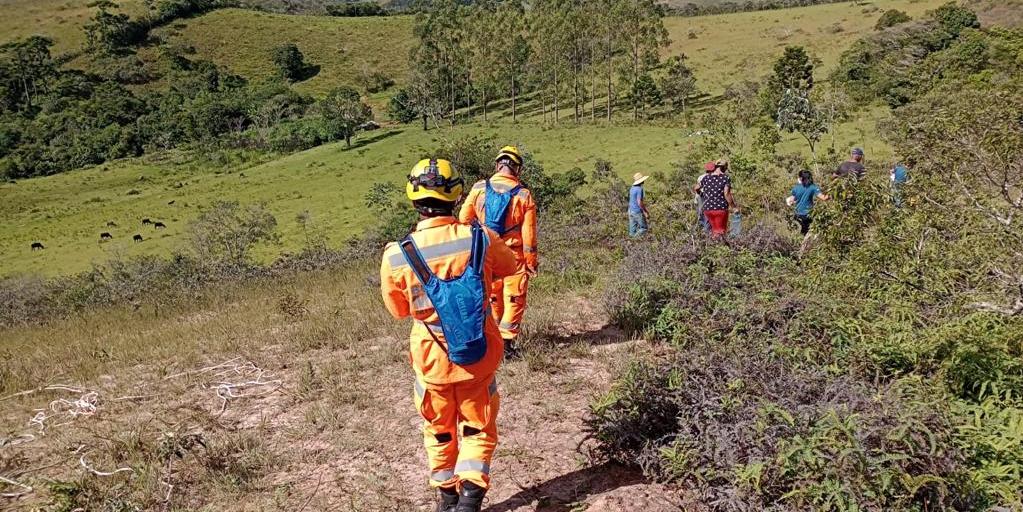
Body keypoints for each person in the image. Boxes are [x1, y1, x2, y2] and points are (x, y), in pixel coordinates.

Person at [380, 158, 518, 512]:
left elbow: (398, 311)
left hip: (431, 360)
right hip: (479, 353)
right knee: (477, 427)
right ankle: (471, 497)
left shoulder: (397, 255)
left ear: (413, 198)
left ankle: (447, 496)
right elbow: (509, 267)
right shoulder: (481, 238)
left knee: (439, 430)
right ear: (457, 196)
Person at [459, 146, 538, 358]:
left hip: (485, 253)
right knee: (514, 297)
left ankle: (492, 340)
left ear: (498, 165)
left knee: (492, 296)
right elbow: (529, 235)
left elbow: (464, 221)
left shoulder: (478, 189)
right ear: (517, 169)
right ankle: (506, 344)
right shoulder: (523, 195)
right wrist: (531, 261)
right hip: (514, 256)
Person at [694, 158, 738, 239]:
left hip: (708, 209)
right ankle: (720, 249)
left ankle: (712, 248)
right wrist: (734, 207)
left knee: (714, 231)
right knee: (720, 232)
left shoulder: (706, 178)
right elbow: (726, 194)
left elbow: (696, 188)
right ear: (724, 167)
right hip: (720, 209)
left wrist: (703, 195)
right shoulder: (725, 178)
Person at [787, 170, 830, 235]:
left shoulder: (796, 188)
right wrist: (832, 192)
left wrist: (790, 201)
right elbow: (823, 198)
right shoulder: (813, 187)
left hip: (798, 214)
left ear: (801, 178)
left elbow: (792, 200)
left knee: (803, 231)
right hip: (808, 214)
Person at [629, 173, 650, 237]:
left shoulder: (632, 187)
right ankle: (635, 239)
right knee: (644, 228)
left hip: (630, 210)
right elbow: (639, 202)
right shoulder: (639, 189)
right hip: (637, 211)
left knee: (632, 230)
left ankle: (631, 241)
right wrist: (645, 212)